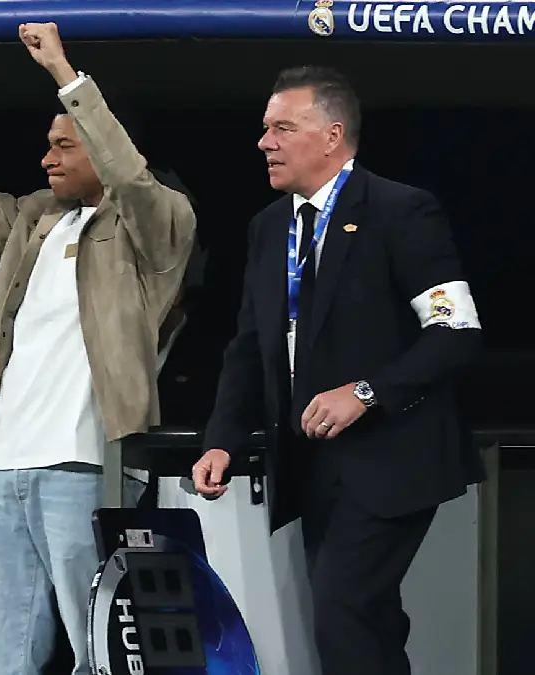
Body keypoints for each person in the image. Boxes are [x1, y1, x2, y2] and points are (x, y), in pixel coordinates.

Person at [0, 24, 195, 675]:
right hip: (6, 469)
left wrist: (62, 70)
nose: (46, 158)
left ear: (108, 149)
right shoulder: (34, 218)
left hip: (86, 466)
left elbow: (133, 183)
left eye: (64, 145)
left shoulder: (156, 227)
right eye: (48, 144)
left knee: (103, 653)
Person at [192, 66, 484, 675]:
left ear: (332, 135)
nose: (264, 142)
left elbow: (455, 332)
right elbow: (250, 346)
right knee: (364, 620)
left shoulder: (401, 210)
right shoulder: (269, 228)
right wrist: (221, 437)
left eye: (282, 128)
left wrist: (366, 392)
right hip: (310, 464)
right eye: (264, 128)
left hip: (392, 457)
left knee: (344, 610)